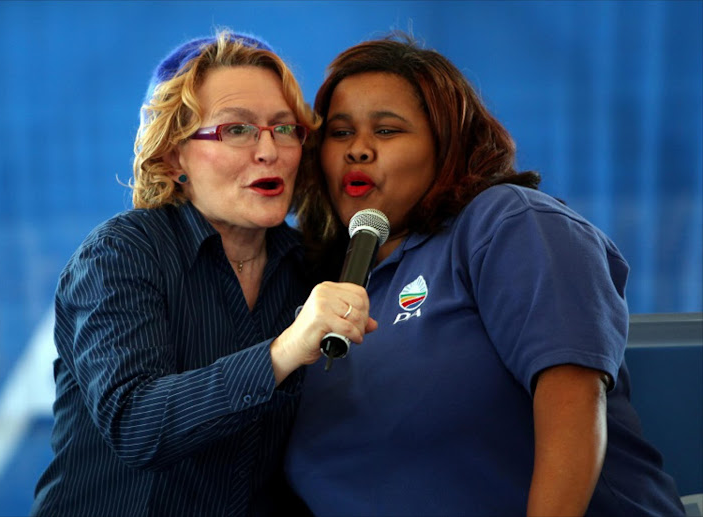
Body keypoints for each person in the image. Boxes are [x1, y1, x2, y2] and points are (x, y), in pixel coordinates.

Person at [285, 34, 685, 517]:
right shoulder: (322, 281)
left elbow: (574, 395)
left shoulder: (505, 222)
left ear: (447, 146)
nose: (359, 151)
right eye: (341, 132)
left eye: (388, 131)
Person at [30, 30, 374, 517]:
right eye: (236, 129)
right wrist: (284, 351)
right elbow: (137, 425)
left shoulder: (309, 268)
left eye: (284, 128)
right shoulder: (120, 255)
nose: (268, 150)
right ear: (173, 157)